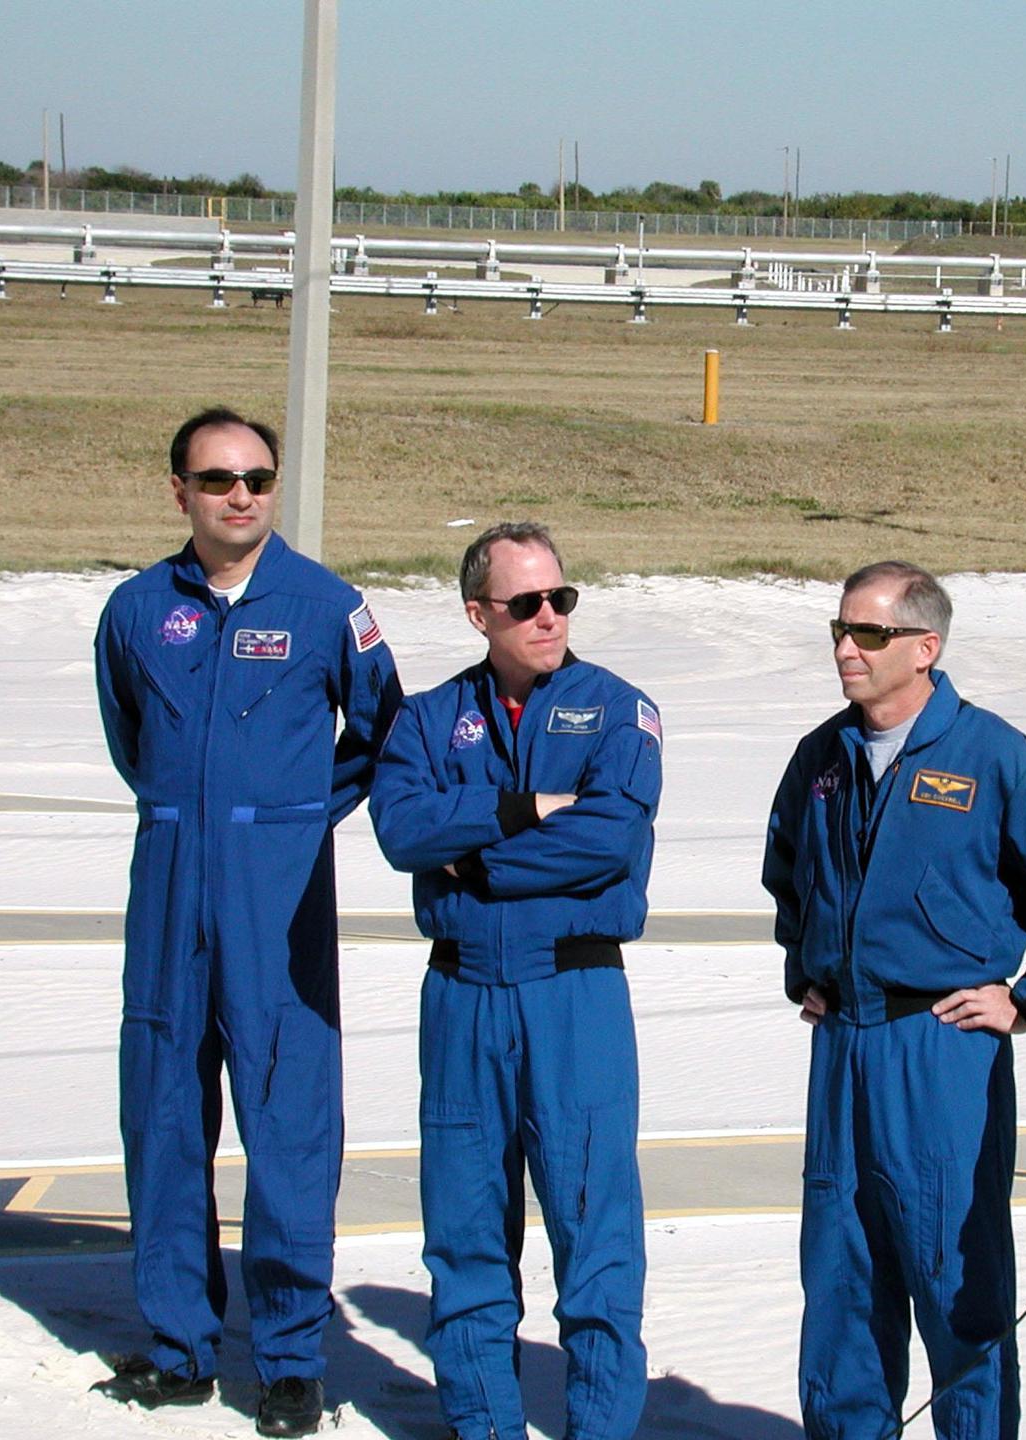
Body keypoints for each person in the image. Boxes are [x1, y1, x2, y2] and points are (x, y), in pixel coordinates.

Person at [91, 407, 402, 1437]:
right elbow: (130, 735)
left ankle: (289, 1360)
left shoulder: (327, 606)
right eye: (219, 479)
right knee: (164, 1115)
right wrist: (186, 812)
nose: (241, 496)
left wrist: (295, 816)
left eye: (258, 479)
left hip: (279, 897)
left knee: (290, 1125)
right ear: (178, 490)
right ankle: (179, 1345)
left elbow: (383, 730)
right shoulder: (137, 610)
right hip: (169, 888)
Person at [761, 560, 1026, 1440]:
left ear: (925, 647)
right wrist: (807, 969)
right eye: (840, 631)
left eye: (869, 633)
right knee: (842, 1279)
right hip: (844, 1044)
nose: (847, 649)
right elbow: (786, 869)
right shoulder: (822, 757)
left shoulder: (994, 756)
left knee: (956, 1279)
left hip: (941, 1047)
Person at [369, 522, 660, 1440]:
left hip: (573, 994)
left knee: (594, 1229)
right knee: (464, 1231)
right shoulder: (427, 719)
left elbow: (607, 840)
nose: (548, 618)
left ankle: (599, 1427)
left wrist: (475, 862)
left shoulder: (618, 711)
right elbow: (402, 830)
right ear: (478, 614)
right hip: (461, 996)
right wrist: (522, 807)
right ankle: (483, 1423)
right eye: (526, 603)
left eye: (560, 599)